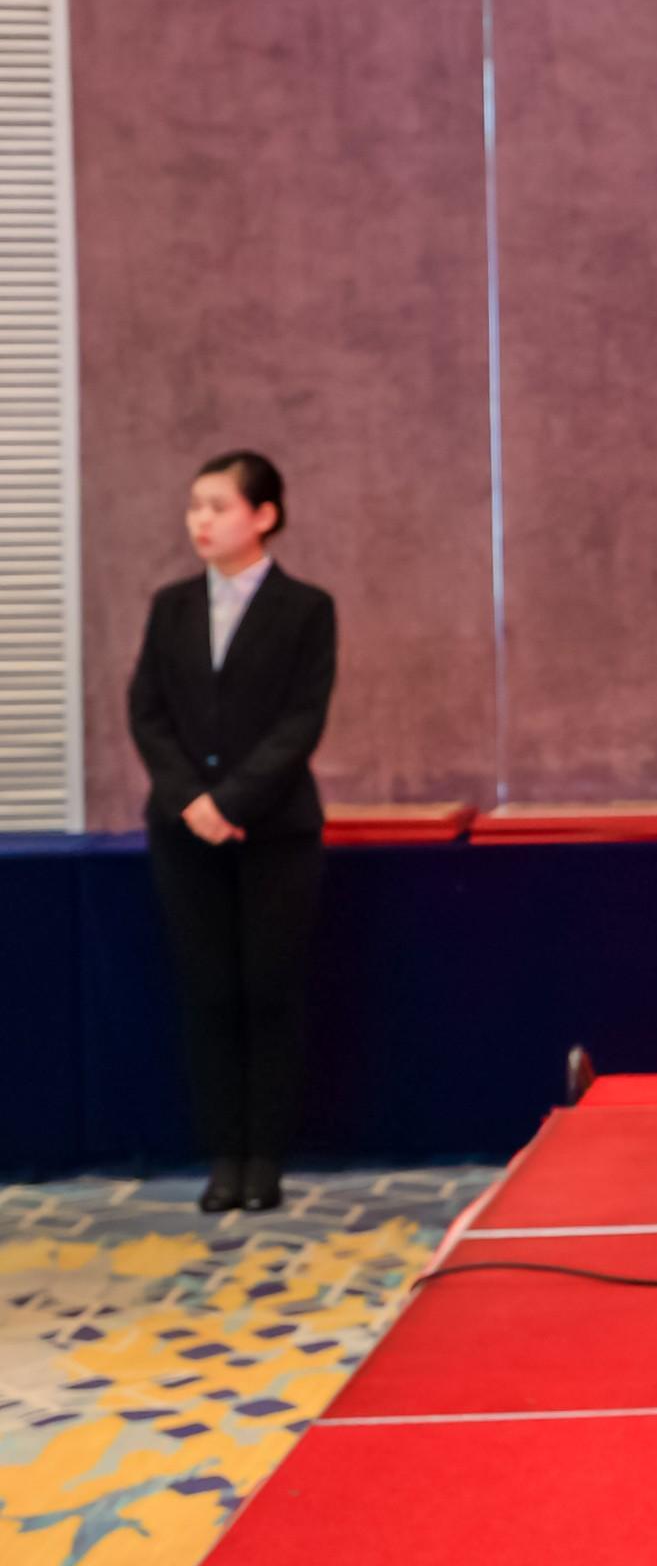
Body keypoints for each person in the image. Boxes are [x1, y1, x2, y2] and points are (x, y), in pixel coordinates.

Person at [128, 450, 337, 1216]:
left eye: (218, 505)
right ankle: (224, 1157)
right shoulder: (171, 606)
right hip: (184, 831)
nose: (201, 520)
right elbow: (147, 711)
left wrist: (234, 801)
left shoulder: (306, 608)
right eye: (194, 506)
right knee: (208, 992)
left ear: (264, 515)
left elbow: (301, 721)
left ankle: (265, 1159)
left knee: (268, 990)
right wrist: (191, 799)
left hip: (275, 831)